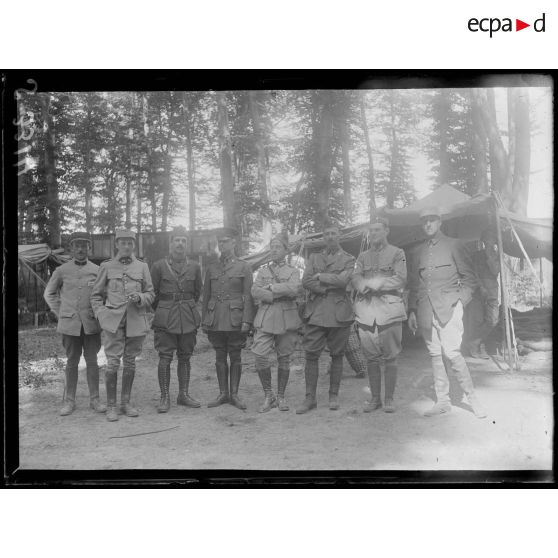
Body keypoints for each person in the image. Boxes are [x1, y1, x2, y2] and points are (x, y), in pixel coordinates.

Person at [407, 207, 487, 418]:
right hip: (426, 310)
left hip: (449, 309)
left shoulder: (455, 245)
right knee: (435, 354)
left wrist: (459, 302)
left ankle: (473, 400)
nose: (428, 224)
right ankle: (443, 401)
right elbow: (415, 284)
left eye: (432, 220)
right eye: (424, 221)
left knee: (452, 352)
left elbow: (470, 280)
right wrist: (412, 310)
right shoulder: (419, 251)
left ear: (440, 222)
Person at [90, 229, 155, 421]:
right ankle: (111, 406)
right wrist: (101, 314)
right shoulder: (107, 266)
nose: (126, 246)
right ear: (116, 245)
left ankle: (125, 403)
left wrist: (140, 297)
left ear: (134, 246)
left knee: (130, 362)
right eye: (123, 243)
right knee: (112, 363)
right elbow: (95, 295)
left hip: (136, 321)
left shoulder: (142, 267)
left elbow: (151, 293)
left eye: (130, 243)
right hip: (113, 322)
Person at [44, 232, 106, 416]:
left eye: (84, 245)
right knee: (71, 362)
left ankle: (95, 399)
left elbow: (104, 295)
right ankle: (69, 401)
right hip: (70, 325)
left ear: (89, 248)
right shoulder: (61, 271)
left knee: (92, 361)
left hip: (91, 323)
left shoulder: (98, 270)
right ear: (71, 248)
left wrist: (101, 313)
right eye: (77, 245)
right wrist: (62, 312)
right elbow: (49, 294)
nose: (80, 249)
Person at [297, 220, 355, 413]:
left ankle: (333, 395)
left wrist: (320, 277)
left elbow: (344, 281)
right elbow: (305, 281)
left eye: (334, 233)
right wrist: (328, 284)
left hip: (339, 312)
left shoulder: (348, 258)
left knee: (337, 354)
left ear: (340, 236)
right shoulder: (314, 258)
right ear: (323, 237)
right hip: (317, 312)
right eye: (327, 234)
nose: (330, 237)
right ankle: (309, 398)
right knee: (311, 354)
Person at [352, 216, 407, 413]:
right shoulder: (362, 257)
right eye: (371, 230)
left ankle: (389, 398)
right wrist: (362, 285)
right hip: (366, 311)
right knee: (371, 358)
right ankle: (375, 399)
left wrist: (376, 283)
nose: (374, 233)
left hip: (389, 311)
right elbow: (356, 276)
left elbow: (400, 279)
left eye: (377, 230)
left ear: (386, 231)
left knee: (391, 357)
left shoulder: (397, 253)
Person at [150, 226, 203, 413]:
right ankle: (165, 397)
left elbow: (197, 292)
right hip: (165, 317)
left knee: (185, 356)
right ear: (170, 243)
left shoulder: (195, 266)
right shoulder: (158, 266)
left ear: (187, 245)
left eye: (183, 240)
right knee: (165, 357)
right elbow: (153, 294)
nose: (180, 244)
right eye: (177, 240)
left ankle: (183, 394)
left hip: (188, 316)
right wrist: (165, 308)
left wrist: (185, 305)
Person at [201, 228, 254, 410]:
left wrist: (247, 320)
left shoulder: (244, 267)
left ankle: (235, 394)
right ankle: (223, 393)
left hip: (235, 318)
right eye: (220, 242)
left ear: (234, 243)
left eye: (226, 241)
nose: (222, 244)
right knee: (219, 356)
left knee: (236, 356)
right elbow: (206, 296)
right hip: (215, 318)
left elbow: (249, 296)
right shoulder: (211, 267)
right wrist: (204, 320)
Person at [251, 235, 302, 412]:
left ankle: (280, 396)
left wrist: (272, 288)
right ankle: (268, 395)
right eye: (272, 247)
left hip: (286, 318)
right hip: (265, 317)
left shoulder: (293, 271)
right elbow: (255, 291)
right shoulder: (263, 271)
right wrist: (277, 294)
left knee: (284, 357)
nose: (273, 250)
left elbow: (294, 288)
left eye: (278, 247)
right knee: (259, 354)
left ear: (286, 251)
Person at [465, 228, 500, 359]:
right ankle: (478, 347)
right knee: (477, 320)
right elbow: (473, 273)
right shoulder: (476, 255)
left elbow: (496, 271)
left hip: (492, 292)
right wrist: (481, 287)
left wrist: (490, 255)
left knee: (493, 320)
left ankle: (475, 342)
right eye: (487, 239)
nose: (489, 241)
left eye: (492, 239)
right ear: (483, 241)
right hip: (477, 291)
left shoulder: (497, 255)